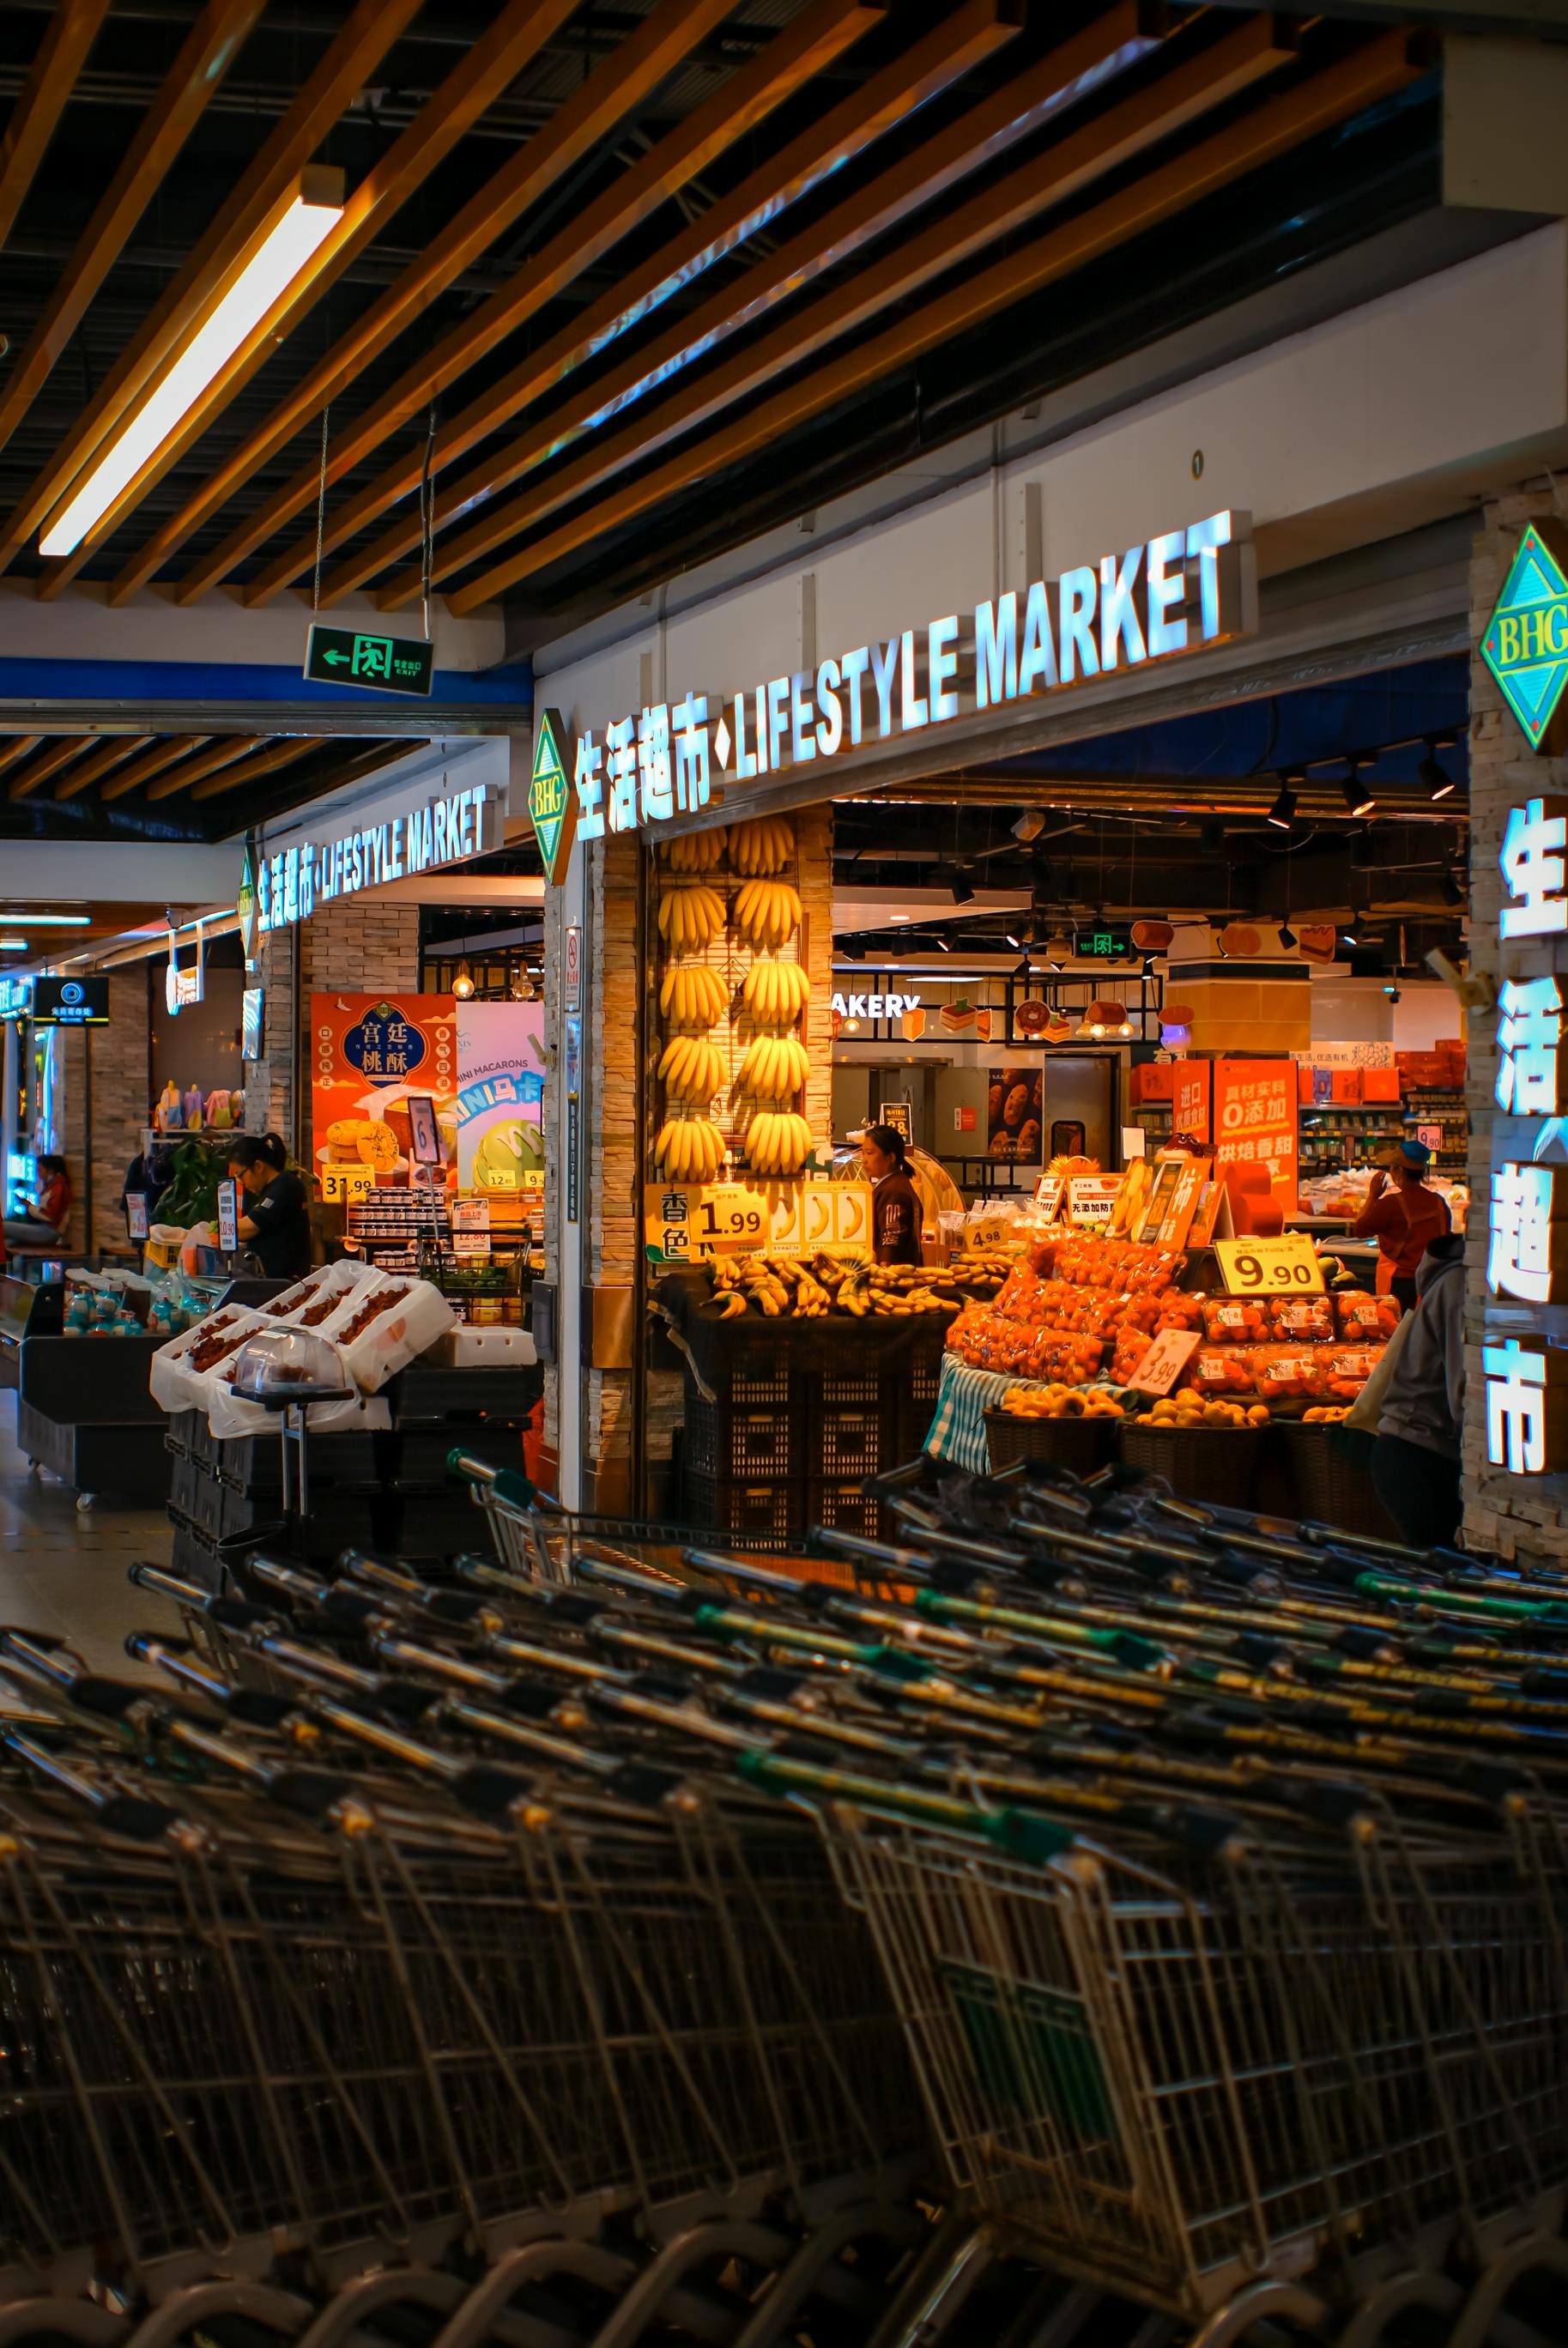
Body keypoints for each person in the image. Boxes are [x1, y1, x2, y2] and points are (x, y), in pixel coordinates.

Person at [1371, 1231, 1466, 1551]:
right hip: (1418, 1457)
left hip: (1429, 1452)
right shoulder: (1460, 1289)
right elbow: (1464, 1400)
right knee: (1443, 1576)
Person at [1353, 1137, 1450, 1312]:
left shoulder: (1392, 1204)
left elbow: (1359, 1229)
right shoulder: (1439, 1203)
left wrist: (1372, 1196)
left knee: (1396, 1333)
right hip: (1433, 1282)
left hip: (1399, 1286)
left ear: (1398, 1170)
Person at [226, 1134, 312, 1278]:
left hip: (285, 1285)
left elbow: (247, 1228)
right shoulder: (268, 1189)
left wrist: (220, 1228)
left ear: (258, 1166)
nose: (240, 1182)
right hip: (270, 1280)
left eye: (240, 1175)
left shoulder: (285, 1187)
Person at [860, 1123, 922, 1266]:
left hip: (894, 1275)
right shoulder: (894, 1183)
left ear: (891, 1157)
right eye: (863, 1153)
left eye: (870, 1153)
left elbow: (891, 1237)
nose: (864, 1160)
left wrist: (884, 1269)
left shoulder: (893, 1190)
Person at [4, 1153, 71, 1249]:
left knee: (4, 1227)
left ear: (50, 1171)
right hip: (43, 1229)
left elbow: (50, 1215)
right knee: (7, 1242)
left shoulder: (58, 1187)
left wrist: (29, 1206)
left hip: (50, 1232)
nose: (38, 1173)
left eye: (40, 1170)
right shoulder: (50, 1187)